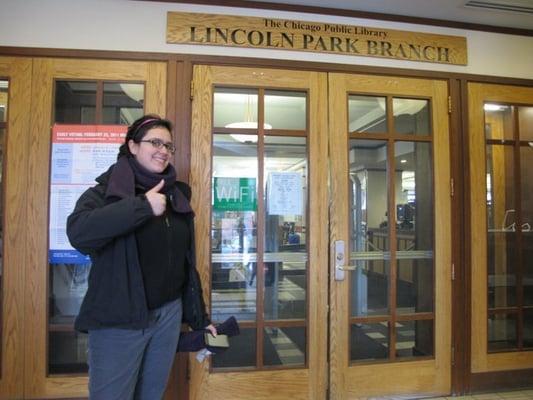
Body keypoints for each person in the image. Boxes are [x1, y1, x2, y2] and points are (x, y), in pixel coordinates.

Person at [67, 115, 216, 400]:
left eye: (169, 146)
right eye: (155, 142)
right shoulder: (106, 192)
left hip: (168, 316)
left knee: (151, 394)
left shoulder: (176, 196)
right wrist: (142, 207)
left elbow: (184, 264)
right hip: (118, 318)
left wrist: (199, 319)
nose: (163, 150)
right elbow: (79, 234)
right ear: (133, 146)